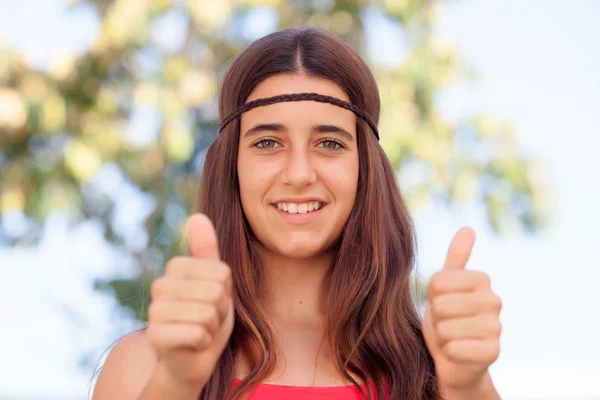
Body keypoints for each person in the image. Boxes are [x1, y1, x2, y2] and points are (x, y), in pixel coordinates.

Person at [92, 26, 502, 400]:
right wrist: (177, 384)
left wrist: (469, 388)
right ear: (231, 166)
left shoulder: (441, 370)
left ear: (365, 170)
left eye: (329, 143)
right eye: (268, 142)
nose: (300, 173)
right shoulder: (146, 365)